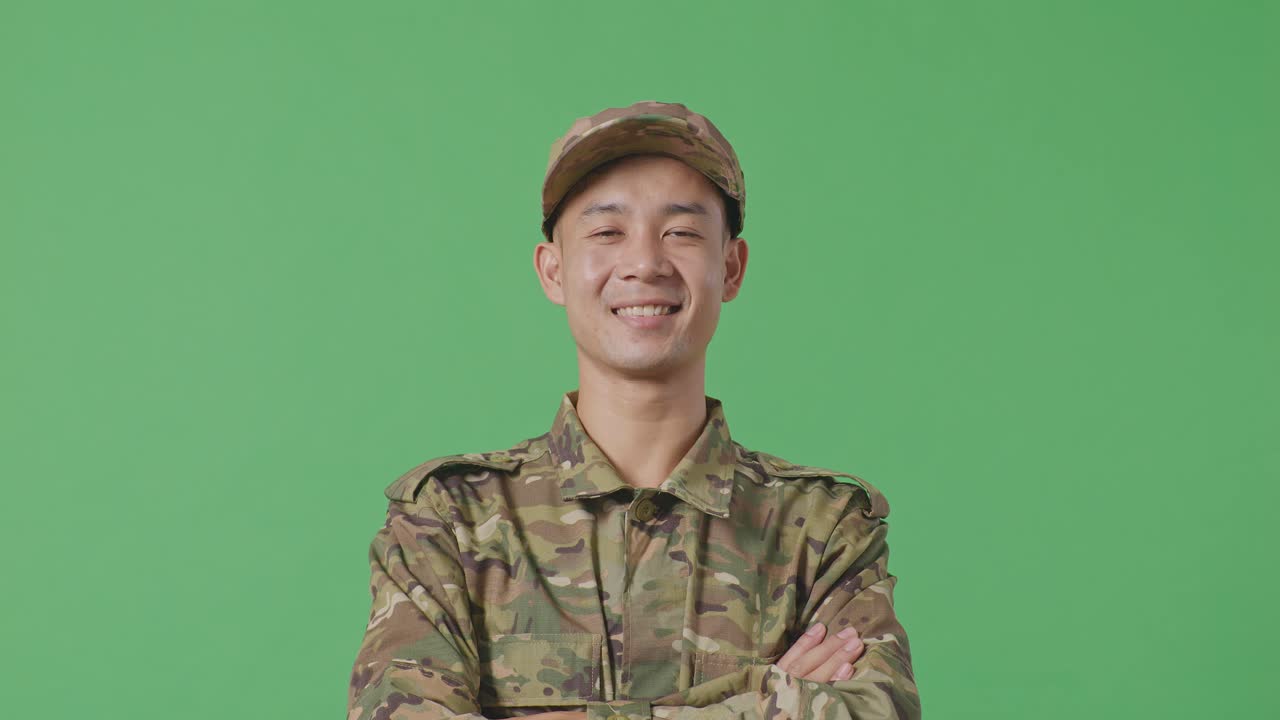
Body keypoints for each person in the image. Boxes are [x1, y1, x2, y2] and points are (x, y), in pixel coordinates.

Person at [347, 100, 921, 720]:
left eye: (681, 231)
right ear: (554, 271)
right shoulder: (450, 522)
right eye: (607, 232)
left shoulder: (823, 529)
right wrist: (763, 704)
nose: (645, 263)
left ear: (730, 267)